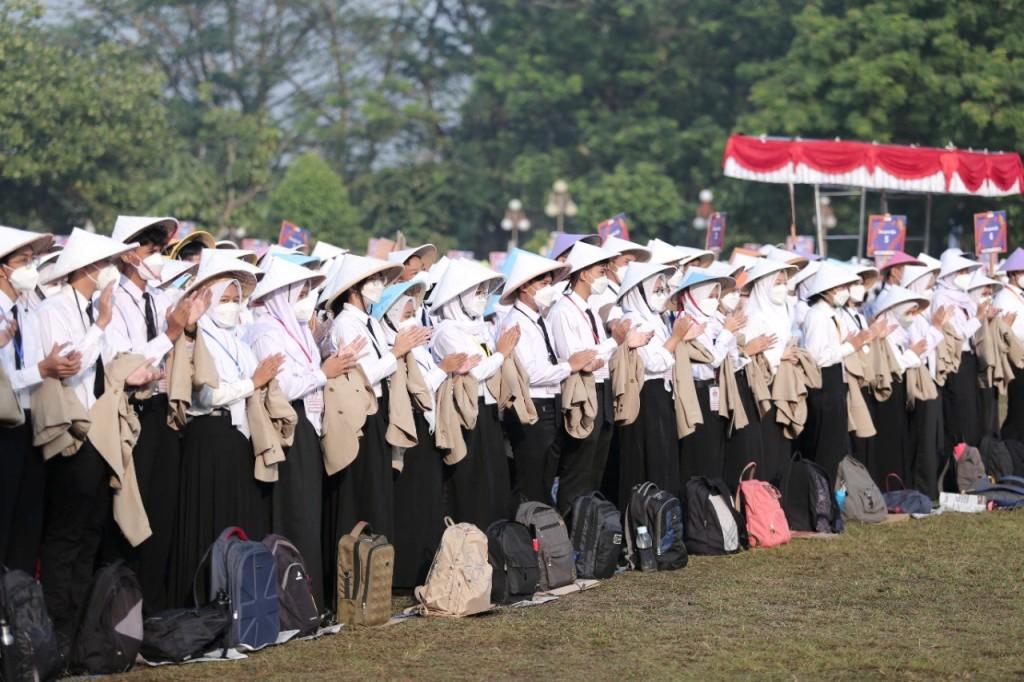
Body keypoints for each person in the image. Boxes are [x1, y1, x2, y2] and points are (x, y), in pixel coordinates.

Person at [34, 228, 135, 641]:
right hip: (70, 430)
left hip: (101, 429)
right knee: (66, 533)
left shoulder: (95, 307)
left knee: (91, 528)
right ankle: (57, 630)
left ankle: (79, 631)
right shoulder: (54, 309)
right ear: (90, 268)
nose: (113, 271)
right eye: (108, 264)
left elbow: (110, 363)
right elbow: (71, 363)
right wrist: (102, 325)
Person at [248, 257, 361, 609]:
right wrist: (324, 372)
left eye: (310, 291)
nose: (307, 299)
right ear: (282, 295)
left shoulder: (294, 330)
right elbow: (280, 385)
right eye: (301, 291)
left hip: (308, 425)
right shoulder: (265, 331)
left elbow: (311, 372)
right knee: (295, 512)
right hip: (287, 426)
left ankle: (309, 596)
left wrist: (327, 367)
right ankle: (293, 598)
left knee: (310, 511)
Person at [173, 251, 282, 606]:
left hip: (238, 438)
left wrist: (256, 382)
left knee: (237, 516)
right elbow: (205, 396)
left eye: (238, 300)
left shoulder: (236, 339)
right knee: (210, 519)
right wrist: (252, 383)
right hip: (209, 436)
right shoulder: (197, 337)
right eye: (226, 300)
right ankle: (206, 595)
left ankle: (239, 594)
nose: (232, 307)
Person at [320, 254, 426, 605]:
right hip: (358, 416)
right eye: (374, 280)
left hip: (377, 413)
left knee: (378, 494)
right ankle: (352, 584)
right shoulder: (346, 324)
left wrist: (396, 353)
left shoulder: (368, 321)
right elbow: (364, 373)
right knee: (358, 497)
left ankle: (374, 579)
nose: (380, 286)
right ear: (353, 289)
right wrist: (397, 353)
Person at [104, 215, 198, 612]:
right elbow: (126, 364)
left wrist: (186, 326)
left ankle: (155, 603)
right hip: (131, 412)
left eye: (160, 250)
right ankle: (122, 605)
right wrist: (171, 334)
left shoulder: (160, 299)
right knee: (131, 510)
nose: (158, 259)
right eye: (152, 250)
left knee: (163, 507)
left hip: (164, 410)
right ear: (129, 254)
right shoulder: (112, 298)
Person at [372, 277, 467, 589]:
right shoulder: (391, 346)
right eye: (404, 312)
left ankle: (426, 568)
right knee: (410, 504)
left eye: (414, 312)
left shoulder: (417, 346)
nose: (410, 319)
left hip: (428, 428)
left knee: (428, 503)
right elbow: (415, 390)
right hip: (409, 430)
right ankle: (405, 574)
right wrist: (444, 369)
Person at [0, 226, 79, 576]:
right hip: (5, 425)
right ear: (3, 268)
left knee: (27, 522)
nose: (31, 268)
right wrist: (41, 370)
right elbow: (6, 381)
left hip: (33, 423)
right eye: (22, 261)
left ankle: (18, 609)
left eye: (32, 261)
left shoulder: (29, 311)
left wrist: (52, 366)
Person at [548, 242, 649, 513]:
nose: (605, 276)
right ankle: (571, 530)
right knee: (578, 468)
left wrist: (619, 344)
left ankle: (591, 528)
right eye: (600, 271)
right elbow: (579, 360)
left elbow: (597, 357)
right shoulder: (563, 310)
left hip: (602, 389)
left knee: (597, 467)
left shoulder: (591, 308)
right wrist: (613, 342)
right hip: (582, 390)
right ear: (582, 274)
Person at [429, 259, 518, 527]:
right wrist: (501, 354)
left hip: (488, 410)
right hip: (465, 411)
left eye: (484, 291)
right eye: (476, 292)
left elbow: (483, 363)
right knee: (471, 480)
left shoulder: (480, 328)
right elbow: (474, 371)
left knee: (495, 478)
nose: (482, 298)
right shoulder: (446, 332)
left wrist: (496, 356)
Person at [499, 250, 593, 504]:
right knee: (530, 476)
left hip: (550, 403)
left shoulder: (540, 319)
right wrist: (569, 366)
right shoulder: (514, 323)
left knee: (547, 474)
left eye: (550, 283)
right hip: (530, 407)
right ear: (524, 288)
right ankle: (526, 532)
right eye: (542, 283)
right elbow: (529, 373)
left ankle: (543, 532)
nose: (548, 288)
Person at [615, 261, 689, 502]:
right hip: (645, 394)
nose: (662, 295)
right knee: (648, 458)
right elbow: (653, 362)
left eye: (662, 290)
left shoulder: (656, 318)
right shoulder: (633, 320)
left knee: (664, 456)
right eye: (656, 290)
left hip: (662, 392)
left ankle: (666, 518)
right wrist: (677, 338)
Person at [799, 263, 874, 480]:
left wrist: (851, 344)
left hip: (836, 384)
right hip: (823, 385)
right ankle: (821, 499)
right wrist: (851, 346)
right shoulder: (816, 316)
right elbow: (817, 357)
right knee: (823, 447)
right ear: (828, 290)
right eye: (840, 287)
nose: (845, 292)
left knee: (835, 447)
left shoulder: (833, 315)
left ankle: (831, 500)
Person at [672, 267, 740, 486]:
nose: (713, 301)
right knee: (698, 454)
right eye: (709, 296)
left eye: (715, 296)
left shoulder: (713, 321)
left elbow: (732, 356)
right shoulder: (686, 320)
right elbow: (711, 358)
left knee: (714, 453)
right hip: (696, 392)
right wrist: (727, 333)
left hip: (715, 390)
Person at [739, 258, 798, 485]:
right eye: (777, 282)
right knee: (767, 442)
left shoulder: (782, 312)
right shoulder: (753, 315)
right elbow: (749, 353)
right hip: (763, 387)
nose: (782, 287)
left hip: (782, 384)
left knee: (781, 442)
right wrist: (778, 356)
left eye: (784, 282)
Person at [869, 287, 931, 487]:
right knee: (889, 440)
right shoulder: (884, 334)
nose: (912, 317)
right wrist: (912, 354)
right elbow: (888, 367)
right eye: (909, 312)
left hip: (898, 395)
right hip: (886, 398)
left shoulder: (899, 334)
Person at [932, 251, 984, 479]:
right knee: (959, 415)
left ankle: (972, 467)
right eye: (961, 272)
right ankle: (957, 472)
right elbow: (955, 334)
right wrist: (978, 319)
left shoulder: (963, 298)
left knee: (972, 415)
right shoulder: (941, 297)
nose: (964, 276)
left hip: (970, 360)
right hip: (955, 361)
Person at [590, 236, 651, 330]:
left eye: (633, 264)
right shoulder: (599, 292)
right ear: (610, 262)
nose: (630, 268)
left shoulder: (628, 291)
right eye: (627, 262)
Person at [995, 248, 1024, 440]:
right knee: (1017, 413)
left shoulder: (1018, 295)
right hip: (1015, 360)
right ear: (1013, 274)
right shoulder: (1004, 298)